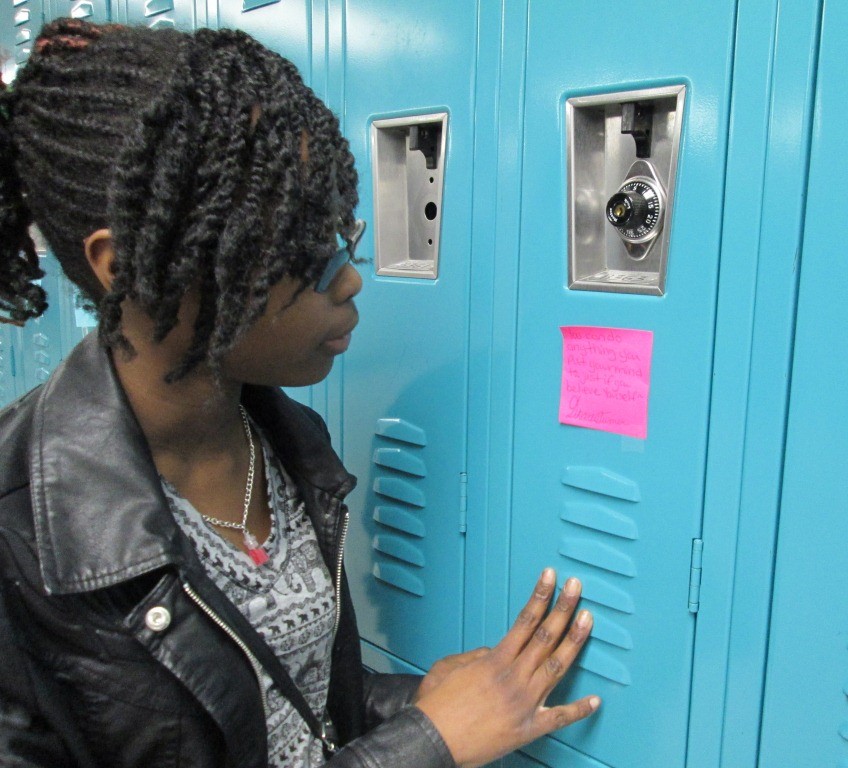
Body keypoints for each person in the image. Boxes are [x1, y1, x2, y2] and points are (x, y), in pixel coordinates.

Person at [0, 18, 599, 768]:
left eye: (336, 234)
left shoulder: (285, 442)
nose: (348, 279)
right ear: (135, 269)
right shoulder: (23, 540)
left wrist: (418, 702)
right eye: (293, 250)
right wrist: (427, 744)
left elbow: (283, 706)